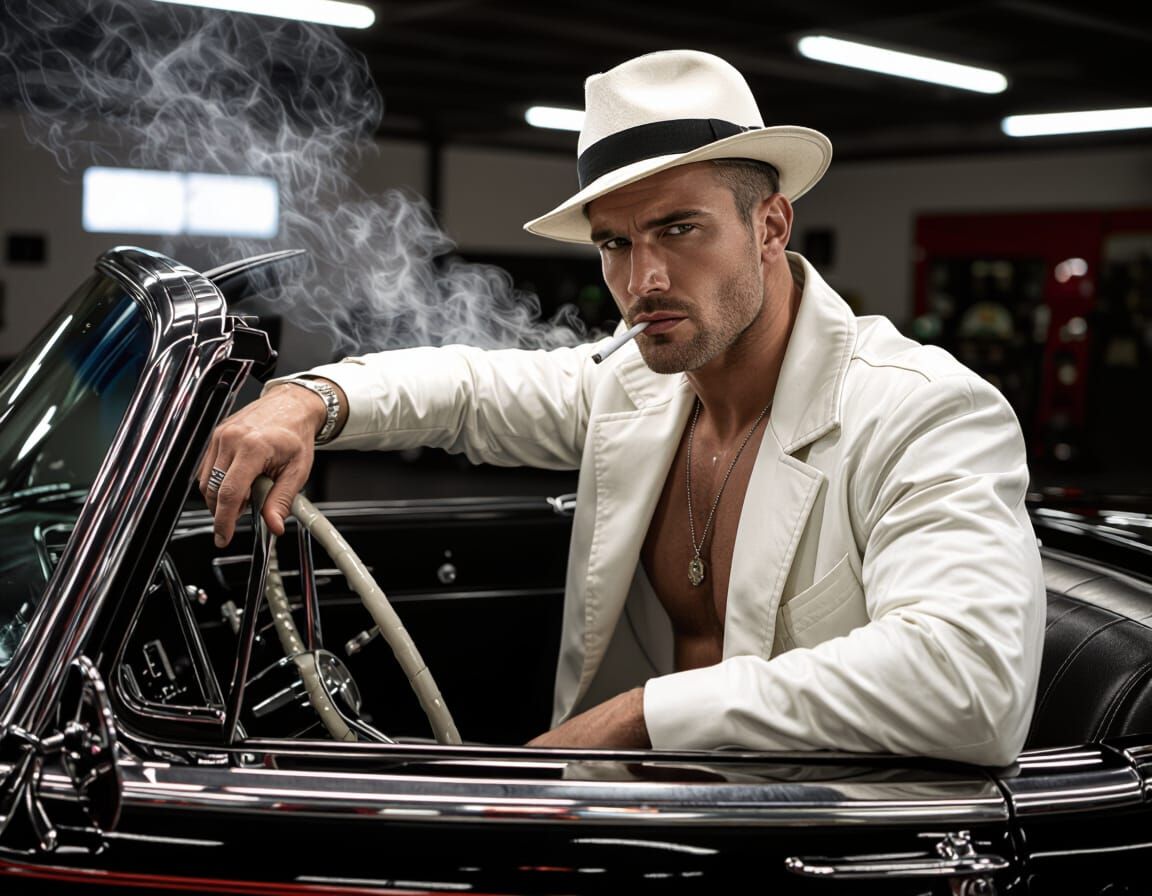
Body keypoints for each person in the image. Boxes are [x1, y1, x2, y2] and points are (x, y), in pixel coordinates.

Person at [201, 49, 1045, 765]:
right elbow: (467, 390)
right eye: (615, 242)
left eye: (680, 229)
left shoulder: (919, 411)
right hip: (629, 837)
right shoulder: (633, 385)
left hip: (814, 854)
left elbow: (973, 679)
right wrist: (310, 397)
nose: (642, 282)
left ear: (772, 225)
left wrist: (644, 716)